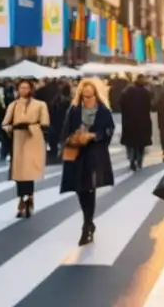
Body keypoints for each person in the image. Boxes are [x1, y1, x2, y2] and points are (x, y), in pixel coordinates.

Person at [60, 77, 115, 245]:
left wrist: (94, 136)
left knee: (90, 188)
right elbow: (65, 130)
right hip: (77, 152)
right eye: (85, 95)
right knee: (80, 189)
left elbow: (109, 129)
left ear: (96, 95)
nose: (87, 98)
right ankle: (89, 221)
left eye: (90, 96)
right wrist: (74, 137)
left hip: (95, 152)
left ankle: (86, 225)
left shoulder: (103, 110)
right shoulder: (74, 110)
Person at [2, 77, 49, 218]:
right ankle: (22, 198)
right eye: (21, 88)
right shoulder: (13, 105)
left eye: (26, 87)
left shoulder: (40, 105)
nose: (24, 90)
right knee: (19, 172)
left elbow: (45, 123)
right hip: (18, 139)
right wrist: (12, 128)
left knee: (30, 170)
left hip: (33, 138)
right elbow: (4, 124)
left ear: (31, 89)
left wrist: (31, 126)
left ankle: (29, 197)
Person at [119, 74, 153, 171]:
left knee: (131, 143)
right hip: (143, 122)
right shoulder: (146, 93)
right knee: (141, 143)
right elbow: (149, 106)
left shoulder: (127, 92)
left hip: (129, 121)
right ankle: (139, 160)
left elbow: (121, 105)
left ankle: (132, 159)